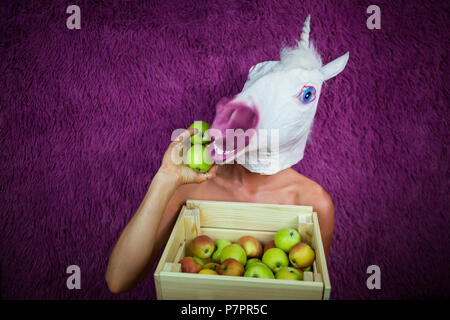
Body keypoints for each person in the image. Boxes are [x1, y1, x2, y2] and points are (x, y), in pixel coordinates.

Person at [105, 128, 334, 294]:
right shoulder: (192, 186)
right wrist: (165, 178)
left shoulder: (313, 201)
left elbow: (313, 292)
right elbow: (119, 280)